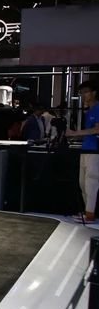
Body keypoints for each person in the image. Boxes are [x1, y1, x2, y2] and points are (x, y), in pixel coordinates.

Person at [66, 81, 99, 223]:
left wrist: (75, 133)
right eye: (82, 93)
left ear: (94, 93)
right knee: (83, 182)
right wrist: (75, 135)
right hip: (86, 149)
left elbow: (97, 129)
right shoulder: (89, 111)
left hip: (94, 151)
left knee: (91, 182)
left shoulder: (97, 109)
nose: (83, 95)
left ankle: (90, 214)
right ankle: (88, 211)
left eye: (86, 92)